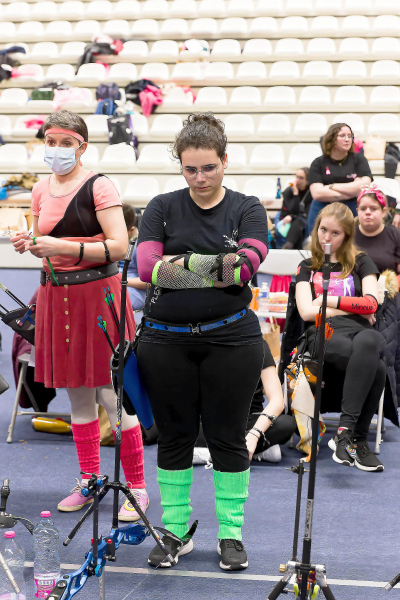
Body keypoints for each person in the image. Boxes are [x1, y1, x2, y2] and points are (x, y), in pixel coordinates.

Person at [136, 112, 269, 571]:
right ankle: (175, 531)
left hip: (231, 340)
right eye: (190, 169)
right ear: (180, 166)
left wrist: (178, 264)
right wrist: (215, 266)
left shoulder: (248, 207)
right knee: (173, 436)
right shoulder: (161, 206)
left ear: (225, 161)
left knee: (227, 437)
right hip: (164, 341)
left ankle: (231, 534)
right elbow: (147, 268)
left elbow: (244, 269)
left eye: (209, 167)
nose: (200, 178)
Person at [11, 110, 148, 521]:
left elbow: (119, 247)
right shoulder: (40, 189)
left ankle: (137, 488)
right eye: (50, 142)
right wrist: (30, 244)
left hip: (97, 297)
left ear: (81, 146)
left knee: (111, 396)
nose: (56, 149)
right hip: (56, 297)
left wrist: (60, 246)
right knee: (77, 397)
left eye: (65, 143)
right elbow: (44, 244)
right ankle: (90, 479)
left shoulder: (100, 185)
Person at [296, 202, 385, 472]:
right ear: (316, 228)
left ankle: (345, 434)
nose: (327, 237)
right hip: (323, 330)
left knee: (371, 341)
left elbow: (371, 304)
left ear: (346, 235)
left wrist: (329, 300)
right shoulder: (307, 266)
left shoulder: (361, 261)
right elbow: (306, 311)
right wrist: (351, 307)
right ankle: (357, 439)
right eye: (323, 229)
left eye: (335, 233)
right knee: (377, 367)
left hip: (359, 331)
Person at [194, 340, 296, 465]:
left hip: (249, 420)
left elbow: (277, 401)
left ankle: (212, 452)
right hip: (211, 422)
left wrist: (255, 434)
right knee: (175, 428)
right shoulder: (204, 343)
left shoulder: (259, 345)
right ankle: (253, 450)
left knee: (286, 424)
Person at [307, 123, 372, 232]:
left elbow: (364, 186)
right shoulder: (318, 163)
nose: (347, 139)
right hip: (323, 208)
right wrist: (352, 191)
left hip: (352, 209)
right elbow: (317, 194)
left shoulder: (359, 160)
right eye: (342, 136)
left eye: (350, 136)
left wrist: (332, 186)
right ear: (331, 139)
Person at [355, 184, 400, 274]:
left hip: (387, 282)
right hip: (354, 282)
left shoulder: (395, 234)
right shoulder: (348, 234)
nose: (368, 212)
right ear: (357, 211)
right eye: (363, 209)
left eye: (373, 209)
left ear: (383, 212)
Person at [120, 203, 147, 317]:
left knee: (114, 302)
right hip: (112, 286)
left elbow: (149, 282)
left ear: (131, 231)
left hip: (133, 290)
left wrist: (121, 281)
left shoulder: (140, 247)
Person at [275, 168, 311, 249]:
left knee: (298, 223)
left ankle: (288, 246)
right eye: (296, 177)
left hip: (302, 222)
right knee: (298, 228)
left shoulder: (310, 193)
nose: (297, 180)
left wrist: (292, 216)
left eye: (301, 178)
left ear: (307, 181)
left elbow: (306, 215)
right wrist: (295, 194)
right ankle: (290, 247)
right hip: (285, 221)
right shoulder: (288, 191)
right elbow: (290, 211)